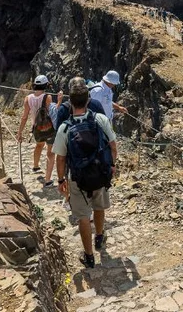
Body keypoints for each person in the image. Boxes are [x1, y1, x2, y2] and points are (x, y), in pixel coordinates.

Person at [53, 82, 118, 269]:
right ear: (88, 100)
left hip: (78, 177)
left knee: (82, 216)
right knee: (99, 207)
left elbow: (60, 158)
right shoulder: (100, 119)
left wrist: (60, 180)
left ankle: (89, 256)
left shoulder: (65, 128)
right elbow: (114, 147)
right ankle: (99, 235)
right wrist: (111, 166)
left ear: (70, 103)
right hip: (100, 172)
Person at [16, 75, 57, 188]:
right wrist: (59, 102)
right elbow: (52, 113)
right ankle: (48, 180)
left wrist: (19, 132)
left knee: (39, 145)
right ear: (45, 85)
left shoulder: (28, 98)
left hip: (36, 128)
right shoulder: (47, 97)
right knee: (50, 152)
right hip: (49, 128)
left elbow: (24, 117)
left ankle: (35, 166)